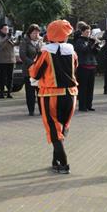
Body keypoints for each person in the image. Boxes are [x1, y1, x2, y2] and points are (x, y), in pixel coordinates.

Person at [28, 19, 78, 174]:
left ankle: (63, 163)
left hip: (51, 94)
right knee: (62, 127)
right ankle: (56, 161)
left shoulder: (45, 52)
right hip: (71, 94)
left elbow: (35, 72)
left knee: (53, 128)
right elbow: (75, 68)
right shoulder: (72, 51)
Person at [19, 24, 44, 115]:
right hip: (28, 70)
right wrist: (33, 63)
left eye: (37, 33)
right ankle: (31, 110)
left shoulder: (41, 41)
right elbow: (23, 55)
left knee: (40, 91)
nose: (36, 35)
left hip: (39, 71)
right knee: (30, 92)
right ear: (29, 33)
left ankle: (42, 110)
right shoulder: (24, 41)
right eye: (34, 33)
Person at [73, 23, 98, 112]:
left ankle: (89, 105)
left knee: (91, 87)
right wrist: (91, 43)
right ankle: (82, 106)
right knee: (83, 87)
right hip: (83, 66)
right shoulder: (79, 41)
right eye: (87, 32)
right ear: (82, 32)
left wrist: (96, 46)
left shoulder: (90, 41)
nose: (89, 33)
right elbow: (84, 50)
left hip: (92, 65)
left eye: (89, 32)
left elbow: (95, 53)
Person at [0, 24, 17, 99]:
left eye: (7, 29)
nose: (6, 31)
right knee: (2, 77)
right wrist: (7, 37)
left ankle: (9, 92)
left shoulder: (11, 36)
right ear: (1, 30)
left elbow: (14, 44)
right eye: (5, 29)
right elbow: (0, 46)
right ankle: (1, 92)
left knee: (10, 77)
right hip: (3, 60)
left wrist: (18, 39)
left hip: (11, 59)